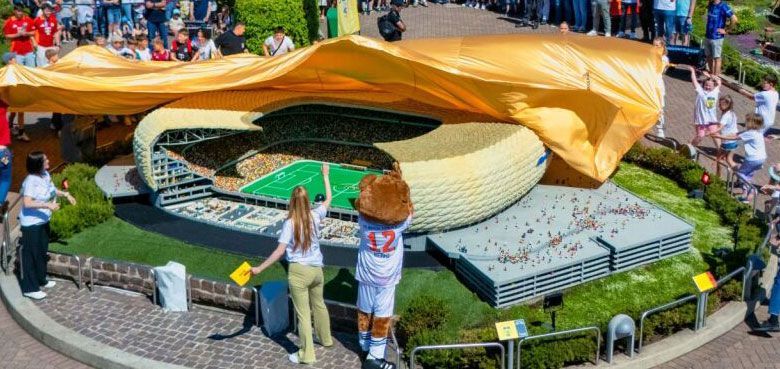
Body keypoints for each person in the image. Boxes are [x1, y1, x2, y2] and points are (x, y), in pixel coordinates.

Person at [247, 164, 334, 364]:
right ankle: (326, 339)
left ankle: (307, 354)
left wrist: (259, 268)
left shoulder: (290, 223)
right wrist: (325, 176)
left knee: (303, 315)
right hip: (317, 269)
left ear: (292, 202)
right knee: (319, 305)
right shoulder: (315, 216)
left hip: (299, 271)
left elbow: (279, 251)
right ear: (306, 201)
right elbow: (329, 199)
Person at [355, 172, 413, 369]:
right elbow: (409, 211)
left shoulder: (363, 225)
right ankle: (375, 356)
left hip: (365, 273)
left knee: (364, 309)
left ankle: (363, 345)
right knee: (382, 315)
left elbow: (362, 210)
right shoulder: (398, 228)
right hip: (387, 277)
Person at [19, 151, 76, 300]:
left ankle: (41, 279)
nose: (49, 160)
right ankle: (30, 288)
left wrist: (66, 194)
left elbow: (52, 190)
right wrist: (47, 206)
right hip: (32, 224)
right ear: (38, 164)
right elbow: (27, 202)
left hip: (43, 221)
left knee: (41, 252)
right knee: (31, 255)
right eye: (45, 160)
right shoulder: (31, 180)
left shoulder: (45, 174)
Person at [711, 113, 766, 204]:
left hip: (753, 159)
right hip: (761, 158)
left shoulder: (750, 133)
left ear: (752, 123)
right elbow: (736, 134)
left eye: (747, 121)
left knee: (740, 174)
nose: (745, 123)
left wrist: (719, 136)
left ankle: (752, 190)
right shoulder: (758, 132)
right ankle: (745, 195)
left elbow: (735, 137)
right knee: (747, 175)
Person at [688, 65, 720, 146]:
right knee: (700, 136)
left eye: (710, 86)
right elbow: (694, 81)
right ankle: (690, 147)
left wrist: (709, 76)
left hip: (712, 120)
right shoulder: (700, 92)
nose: (708, 87)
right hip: (701, 120)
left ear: (714, 86)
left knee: (715, 135)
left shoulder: (715, 92)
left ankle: (720, 151)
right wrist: (692, 72)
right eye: (706, 85)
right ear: (703, 85)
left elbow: (719, 81)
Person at [704, 0, 737, 76]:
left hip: (717, 37)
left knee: (717, 58)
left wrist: (726, 30)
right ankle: (711, 74)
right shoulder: (710, 4)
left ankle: (716, 77)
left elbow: (734, 19)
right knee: (708, 56)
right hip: (708, 35)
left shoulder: (723, 6)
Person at [712, 95, 737, 174]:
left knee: (718, 160)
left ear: (727, 105)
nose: (719, 106)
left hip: (727, 142)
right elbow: (726, 124)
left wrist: (710, 132)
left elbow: (720, 127)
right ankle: (740, 175)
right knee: (729, 160)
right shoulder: (732, 113)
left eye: (720, 104)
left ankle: (717, 176)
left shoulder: (725, 116)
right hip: (733, 140)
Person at [34, 2, 60, 67]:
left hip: (51, 45)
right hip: (41, 46)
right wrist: (34, 43)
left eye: (50, 11)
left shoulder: (53, 19)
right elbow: (32, 33)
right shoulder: (37, 20)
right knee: (42, 65)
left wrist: (58, 45)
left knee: (54, 65)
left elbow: (56, 32)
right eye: (47, 11)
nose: (49, 13)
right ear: (42, 11)